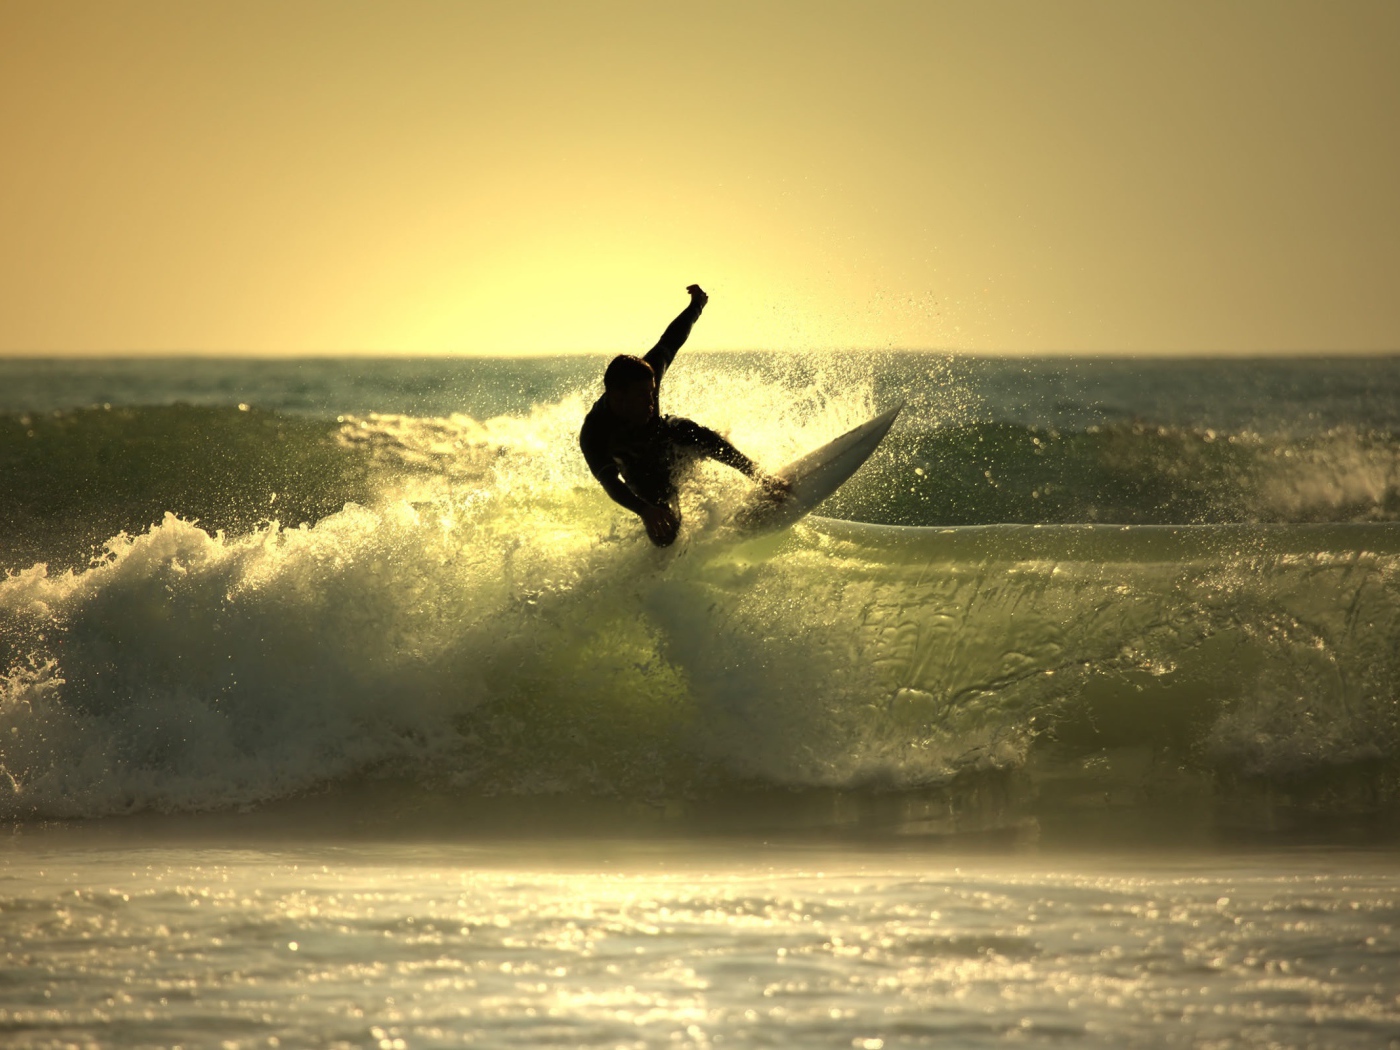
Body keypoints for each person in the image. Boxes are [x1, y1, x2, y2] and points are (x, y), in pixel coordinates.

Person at [579, 284, 785, 546]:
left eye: (652, 393)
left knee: (687, 430)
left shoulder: (647, 372)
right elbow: (610, 483)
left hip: (667, 439)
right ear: (618, 397)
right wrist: (645, 511)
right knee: (666, 533)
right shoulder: (594, 433)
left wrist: (696, 305)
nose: (650, 402)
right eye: (643, 397)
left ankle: (761, 478)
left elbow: (671, 339)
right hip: (640, 471)